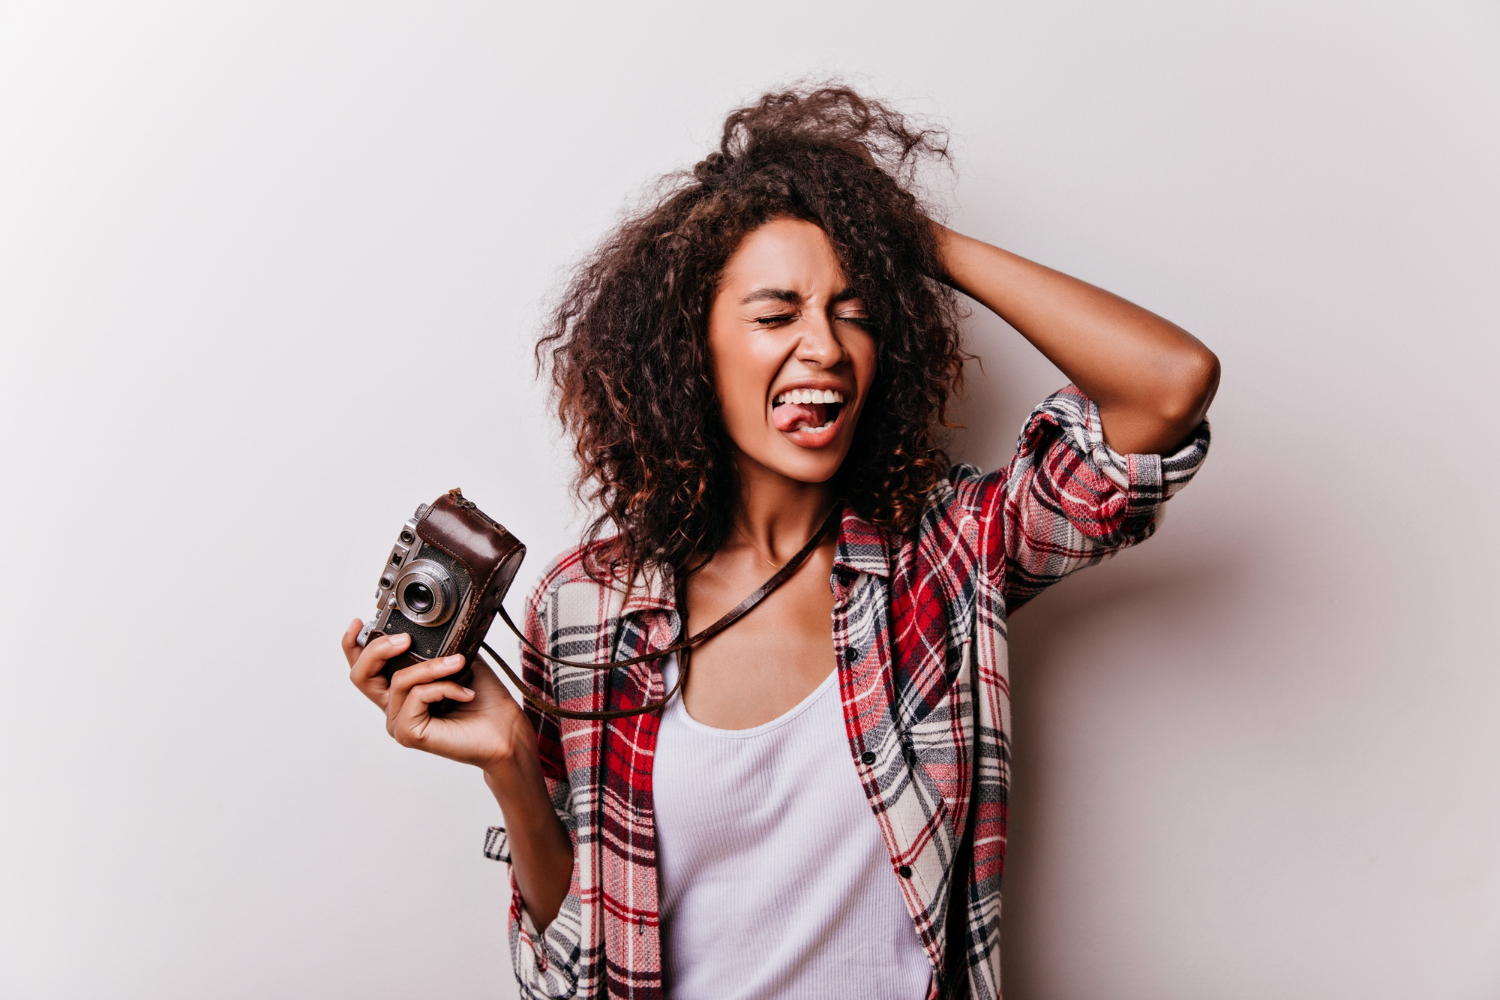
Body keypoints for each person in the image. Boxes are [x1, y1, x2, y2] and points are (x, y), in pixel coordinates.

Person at [342, 86, 1217, 1000]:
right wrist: (512, 764)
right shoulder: (586, 607)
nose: (826, 348)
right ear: (693, 351)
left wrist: (909, 242)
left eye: (856, 310)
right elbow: (573, 978)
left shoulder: (949, 555)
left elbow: (1167, 387)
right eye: (775, 316)